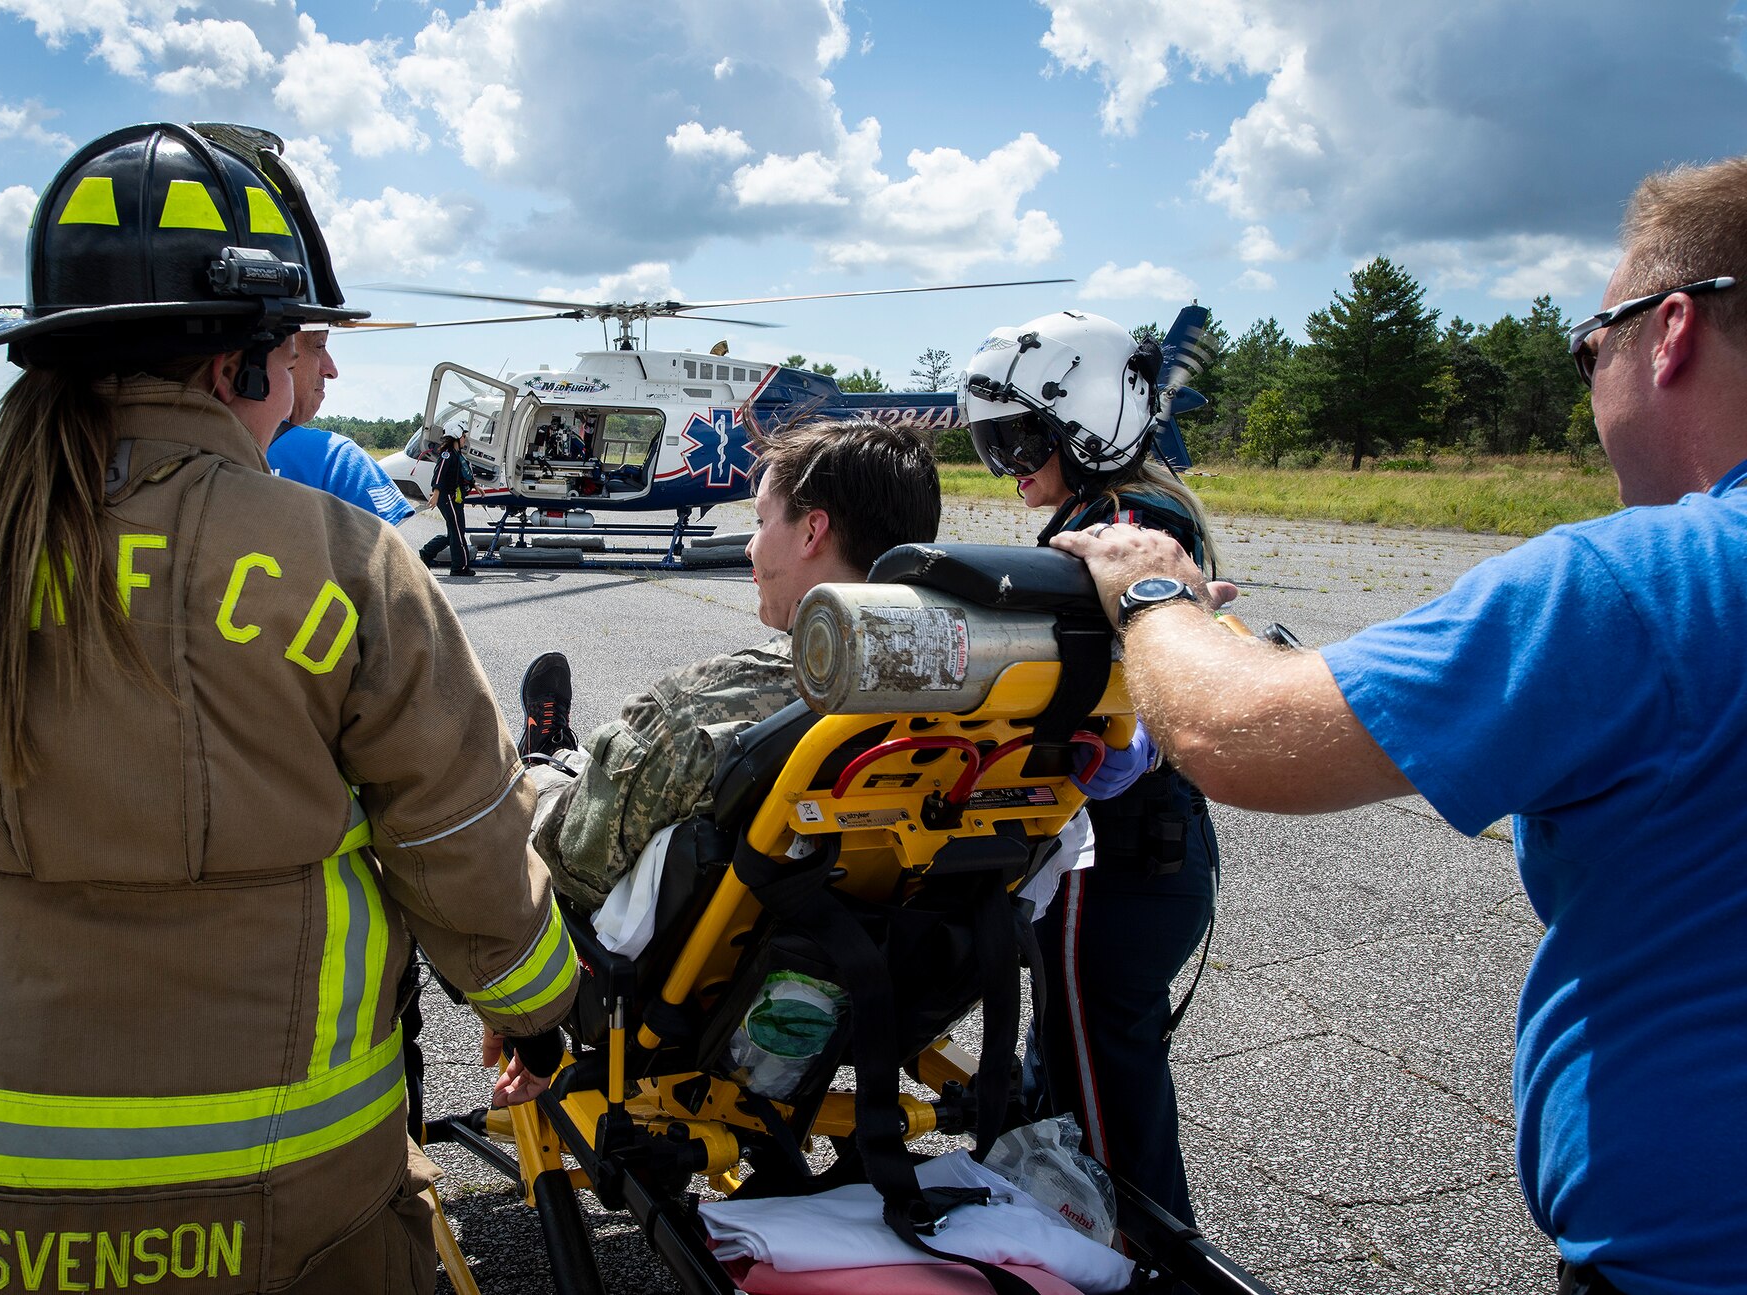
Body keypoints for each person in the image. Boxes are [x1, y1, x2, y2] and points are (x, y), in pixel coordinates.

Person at [0, 122, 575, 1295]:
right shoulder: (346, 562)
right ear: (234, 362)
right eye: (302, 347)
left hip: (4, 1223)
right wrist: (531, 1006)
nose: (326, 375)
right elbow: (461, 839)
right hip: (305, 1217)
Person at [1051, 157, 1747, 1295]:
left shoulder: (1635, 584)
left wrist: (1146, 591)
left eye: (1588, 343)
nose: (1588, 376)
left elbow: (1239, 735)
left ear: (1666, 332)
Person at [959, 308, 1227, 1225]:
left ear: (1088, 423)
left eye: (1020, 437)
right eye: (996, 443)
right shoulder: (1138, 512)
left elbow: (1121, 694)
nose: (1010, 464)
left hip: (1115, 860)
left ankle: (1151, 1260)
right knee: (1074, 1069)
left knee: (1104, 1100)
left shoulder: (1120, 529)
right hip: (1143, 851)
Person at [521, 419, 943, 909]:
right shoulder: (984, 699)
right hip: (893, 944)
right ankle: (564, 758)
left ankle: (540, 756)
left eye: (762, 521)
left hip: (703, 962)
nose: (749, 545)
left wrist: (527, 793)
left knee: (526, 785)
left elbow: (570, 863)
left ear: (812, 533)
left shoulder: (692, 712)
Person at [266, 324, 415, 526]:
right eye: (319, 346)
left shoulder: (211, 447)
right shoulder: (336, 461)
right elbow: (388, 554)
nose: (331, 370)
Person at [432, 430, 475, 576]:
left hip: (454, 498)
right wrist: (436, 493)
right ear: (456, 435)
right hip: (447, 497)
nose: (465, 439)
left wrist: (474, 486)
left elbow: (463, 474)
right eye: (463, 436)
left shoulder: (457, 455)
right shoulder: (447, 454)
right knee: (457, 532)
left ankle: (426, 553)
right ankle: (459, 567)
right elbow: (439, 473)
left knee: (457, 531)